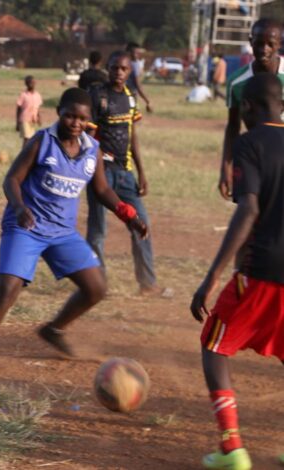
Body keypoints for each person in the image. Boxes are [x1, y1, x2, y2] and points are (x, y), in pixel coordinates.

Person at [0, 88, 148, 372]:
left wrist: (128, 215)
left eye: (81, 118)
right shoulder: (41, 142)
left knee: (96, 288)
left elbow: (102, 189)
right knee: (7, 289)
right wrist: (20, 208)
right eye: (69, 115)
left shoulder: (91, 150)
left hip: (62, 232)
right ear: (59, 112)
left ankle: (54, 330)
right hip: (27, 226)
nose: (75, 122)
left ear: (89, 120)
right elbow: (12, 180)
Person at [190, 73, 284, 470]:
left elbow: (248, 209)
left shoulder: (249, 143)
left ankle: (232, 450)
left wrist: (211, 277)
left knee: (214, 346)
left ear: (247, 107)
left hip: (260, 269)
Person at [86, 50, 167, 297]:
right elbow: (88, 136)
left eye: (123, 69)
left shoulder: (131, 98)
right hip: (102, 174)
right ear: (107, 69)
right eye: (114, 68)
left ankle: (147, 283)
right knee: (98, 230)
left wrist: (142, 172)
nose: (118, 73)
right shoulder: (98, 96)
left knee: (141, 224)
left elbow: (133, 136)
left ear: (130, 72)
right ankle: (99, 285)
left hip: (125, 172)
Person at [219, 18, 284, 200]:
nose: (264, 49)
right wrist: (226, 168)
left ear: (280, 44)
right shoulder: (236, 81)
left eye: (270, 44)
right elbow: (233, 126)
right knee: (250, 209)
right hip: (253, 157)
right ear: (250, 42)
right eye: (258, 43)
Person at [125, 42, 153, 113]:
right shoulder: (134, 64)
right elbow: (138, 85)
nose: (137, 55)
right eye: (135, 53)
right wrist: (147, 101)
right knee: (132, 117)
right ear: (129, 52)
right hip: (130, 94)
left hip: (122, 94)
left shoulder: (121, 61)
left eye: (138, 53)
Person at [15, 75, 43, 143]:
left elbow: (37, 108)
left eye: (33, 82)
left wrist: (39, 118)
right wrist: (17, 122)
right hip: (24, 119)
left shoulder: (37, 95)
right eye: (30, 83)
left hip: (33, 120)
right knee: (27, 139)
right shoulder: (23, 95)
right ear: (26, 84)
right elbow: (18, 109)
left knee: (31, 140)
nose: (32, 84)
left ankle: (27, 153)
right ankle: (24, 153)